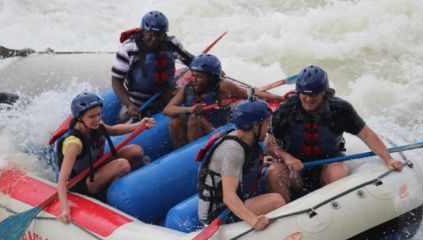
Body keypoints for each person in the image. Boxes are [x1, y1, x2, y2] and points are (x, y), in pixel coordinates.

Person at [265, 65, 404, 203]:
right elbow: (271, 144)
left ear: (324, 92)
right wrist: (287, 158)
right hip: (295, 168)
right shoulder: (286, 109)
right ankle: (284, 215)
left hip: (329, 162)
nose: (308, 99)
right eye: (304, 94)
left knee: (337, 174)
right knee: (274, 172)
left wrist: (389, 160)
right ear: (298, 92)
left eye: (314, 94)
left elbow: (367, 135)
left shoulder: (340, 109)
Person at [55, 92, 155, 224]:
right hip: (82, 183)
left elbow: (113, 130)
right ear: (79, 118)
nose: (97, 119)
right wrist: (65, 209)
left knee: (135, 151)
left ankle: (119, 185)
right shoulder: (74, 143)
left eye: (98, 114)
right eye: (92, 116)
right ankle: (112, 199)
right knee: (122, 164)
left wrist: (139, 125)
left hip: (95, 166)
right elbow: (62, 181)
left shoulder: (95, 124)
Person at [164, 53, 285, 150]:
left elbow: (253, 95)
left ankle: (192, 156)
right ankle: (180, 156)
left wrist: (283, 99)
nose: (194, 80)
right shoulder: (188, 88)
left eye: (199, 77)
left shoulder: (223, 87)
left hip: (217, 130)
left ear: (211, 77)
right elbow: (168, 110)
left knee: (194, 119)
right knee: (175, 120)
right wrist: (189, 109)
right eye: (193, 75)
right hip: (195, 131)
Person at [197, 99, 285, 230]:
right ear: (256, 125)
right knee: (277, 201)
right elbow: (229, 197)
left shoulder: (242, 137)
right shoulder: (233, 150)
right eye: (267, 121)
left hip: (223, 207)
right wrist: (254, 221)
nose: (270, 126)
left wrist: (258, 163)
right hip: (217, 215)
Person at [111, 10, 195, 123]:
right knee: (124, 118)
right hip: (136, 101)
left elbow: (190, 61)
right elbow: (116, 80)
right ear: (143, 31)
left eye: (159, 35)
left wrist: (211, 69)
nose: (154, 39)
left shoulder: (171, 42)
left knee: (181, 94)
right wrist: (129, 105)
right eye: (150, 34)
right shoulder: (128, 48)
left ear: (164, 33)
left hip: (165, 93)